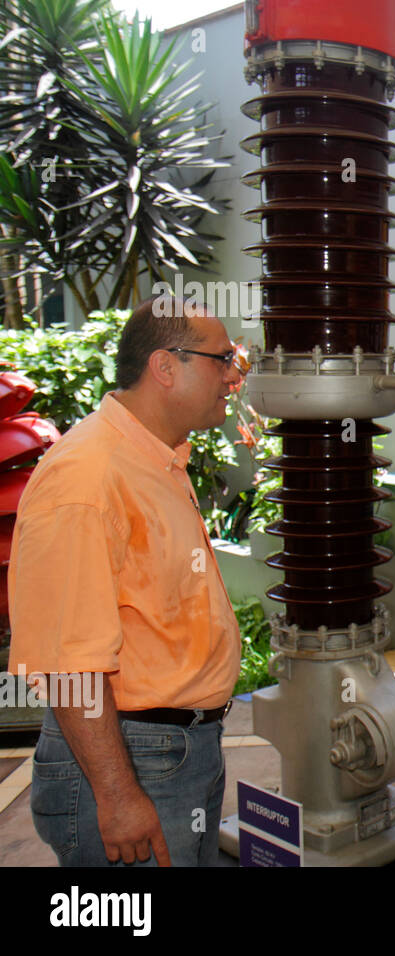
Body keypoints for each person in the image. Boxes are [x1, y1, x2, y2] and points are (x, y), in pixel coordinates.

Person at [7, 295, 244, 866]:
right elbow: (68, 665)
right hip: (131, 759)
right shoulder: (86, 479)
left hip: (176, 751)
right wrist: (116, 795)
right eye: (222, 359)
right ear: (166, 366)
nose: (234, 375)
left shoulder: (153, 458)